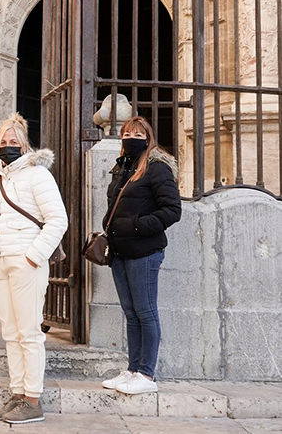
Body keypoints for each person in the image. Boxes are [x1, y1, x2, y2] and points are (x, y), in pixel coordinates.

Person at [0, 113, 68, 425]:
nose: (8, 145)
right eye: (3, 141)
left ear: (25, 143)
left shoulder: (38, 174)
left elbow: (58, 219)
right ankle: (17, 394)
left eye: (14, 141)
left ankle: (33, 398)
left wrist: (33, 256)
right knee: (10, 332)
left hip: (25, 263)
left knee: (29, 332)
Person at [100, 116, 181, 395]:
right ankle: (132, 369)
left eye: (138, 133)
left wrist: (135, 226)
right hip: (120, 252)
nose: (131, 136)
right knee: (131, 314)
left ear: (148, 138)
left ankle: (147, 374)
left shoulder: (157, 168)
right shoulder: (122, 167)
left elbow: (172, 210)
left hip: (144, 252)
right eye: (127, 132)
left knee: (146, 313)